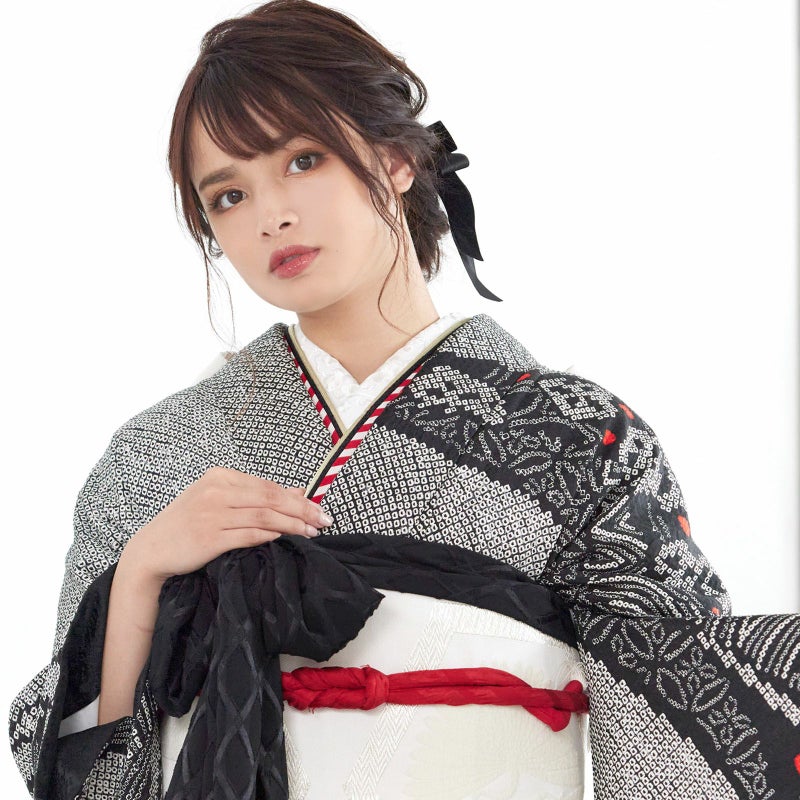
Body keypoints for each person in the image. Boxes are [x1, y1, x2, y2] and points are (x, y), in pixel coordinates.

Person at [8, 1, 799, 798]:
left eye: (304, 159)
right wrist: (141, 574)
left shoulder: (580, 440)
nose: (272, 215)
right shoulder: (155, 459)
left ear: (394, 159)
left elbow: (690, 727)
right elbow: (80, 782)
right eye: (229, 196)